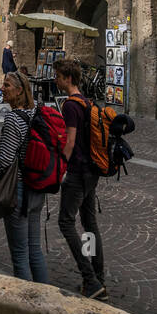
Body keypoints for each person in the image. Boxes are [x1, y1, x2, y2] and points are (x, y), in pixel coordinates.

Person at [0, 70, 49, 284]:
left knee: (20, 255)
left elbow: (5, 160)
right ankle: (44, 298)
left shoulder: (13, 118)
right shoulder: (36, 111)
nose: (3, 88)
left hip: (18, 190)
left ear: (20, 91)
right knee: (34, 250)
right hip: (37, 189)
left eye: (8, 85)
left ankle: (27, 306)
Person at [55, 59, 107, 300]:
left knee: (66, 222)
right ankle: (98, 278)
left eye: (58, 76)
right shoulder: (87, 102)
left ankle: (90, 279)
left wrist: (59, 167)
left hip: (77, 172)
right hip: (92, 171)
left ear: (67, 78)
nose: (56, 80)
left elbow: (70, 141)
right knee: (90, 224)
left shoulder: (70, 106)